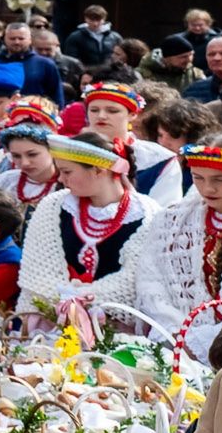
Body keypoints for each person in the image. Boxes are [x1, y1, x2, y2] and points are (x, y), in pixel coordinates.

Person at [16, 132, 159, 318]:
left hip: (119, 327)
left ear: (99, 170)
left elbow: (135, 280)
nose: (60, 179)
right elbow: (37, 275)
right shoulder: (52, 207)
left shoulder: (148, 215)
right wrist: (64, 305)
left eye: (67, 172)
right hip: (53, 323)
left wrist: (82, 300)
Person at [136, 139, 222, 361]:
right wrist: (177, 334)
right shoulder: (171, 221)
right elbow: (151, 282)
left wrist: (200, 342)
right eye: (198, 178)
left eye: (220, 179)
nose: (208, 188)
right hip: (174, 344)